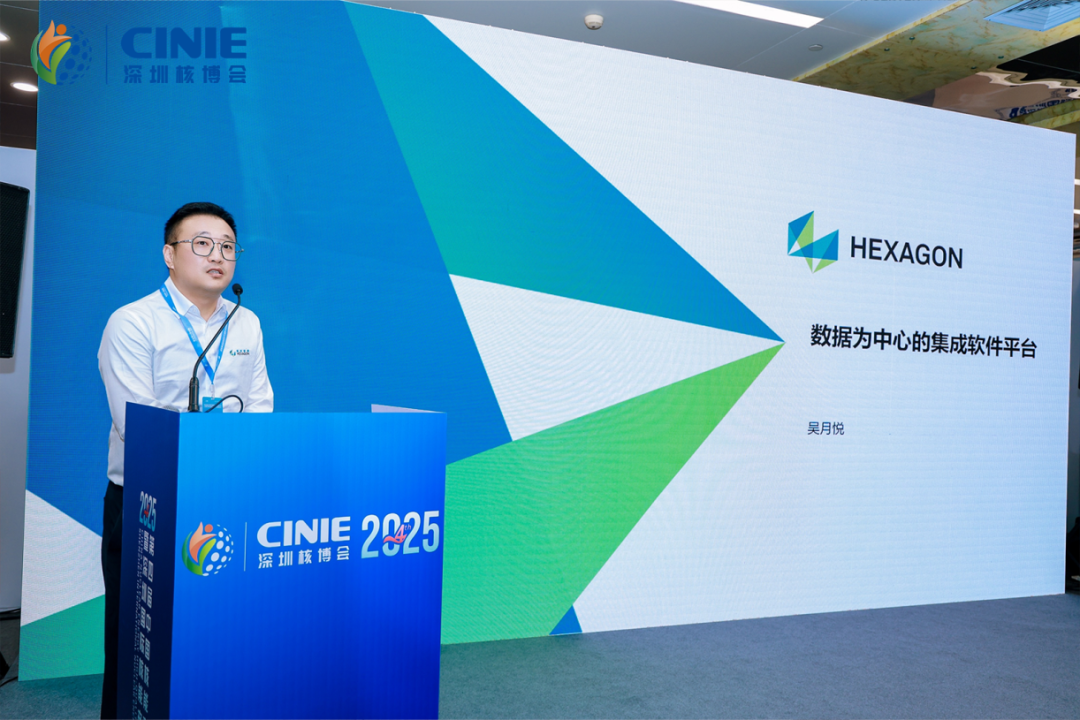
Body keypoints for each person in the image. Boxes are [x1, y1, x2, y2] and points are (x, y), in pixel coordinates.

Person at [97, 202, 272, 718]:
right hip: (147, 504)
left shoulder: (246, 322)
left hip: (226, 496)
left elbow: (259, 407)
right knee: (138, 637)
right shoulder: (133, 322)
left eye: (227, 246)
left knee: (217, 633)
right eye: (202, 244)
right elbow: (137, 423)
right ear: (169, 255)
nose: (218, 256)